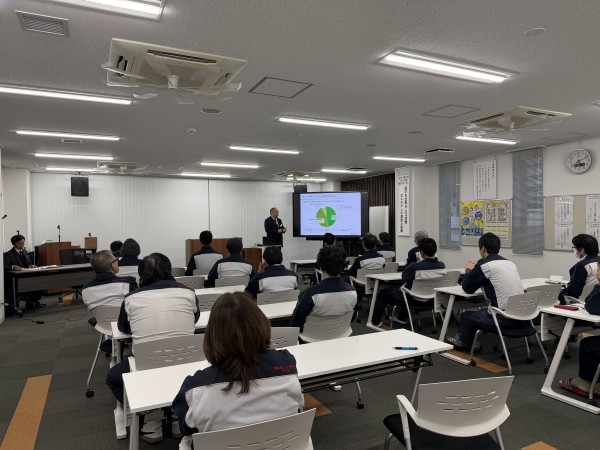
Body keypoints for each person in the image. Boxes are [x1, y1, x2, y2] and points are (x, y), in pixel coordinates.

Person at [173, 292, 303, 449]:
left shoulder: (195, 389)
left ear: (213, 334)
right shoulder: (287, 366)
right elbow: (298, 405)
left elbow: (186, 428)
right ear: (261, 324)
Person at [106, 253, 199, 443]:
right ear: (170, 271)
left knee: (113, 377)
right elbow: (194, 319)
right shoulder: (189, 293)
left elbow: (124, 328)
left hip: (147, 365)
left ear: (142, 276)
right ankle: (178, 416)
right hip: (187, 363)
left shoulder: (131, 299)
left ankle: (150, 418)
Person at [446, 232, 524, 351]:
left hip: (503, 318)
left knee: (466, 316)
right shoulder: (510, 263)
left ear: (483, 248)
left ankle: (465, 343)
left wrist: (470, 271)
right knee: (481, 311)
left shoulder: (485, 265)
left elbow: (467, 288)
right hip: (521, 316)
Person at [371, 238, 446, 328]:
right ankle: (401, 317)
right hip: (431, 299)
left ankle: (375, 322)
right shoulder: (441, 265)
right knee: (407, 288)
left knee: (384, 293)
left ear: (421, 253)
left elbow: (404, 277)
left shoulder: (415, 267)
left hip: (412, 299)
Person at [291, 246, 357, 333]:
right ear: (343, 266)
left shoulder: (310, 293)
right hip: (340, 334)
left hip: (312, 336)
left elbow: (296, 322)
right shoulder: (352, 291)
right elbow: (351, 318)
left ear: (321, 267)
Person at [560, 264, 600, 397]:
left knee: (588, 344)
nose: (597, 272)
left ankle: (583, 382)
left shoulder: (581, 266)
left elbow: (591, 305)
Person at [82, 250, 138, 332]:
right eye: (116, 260)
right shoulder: (128, 283)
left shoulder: (85, 290)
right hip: (127, 327)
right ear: (112, 265)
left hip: (103, 327)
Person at [3, 234, 44, 309]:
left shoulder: (24, 251)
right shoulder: (9, 254)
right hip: (16, 278)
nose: (22, 245)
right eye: (20, 243)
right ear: (15, 244)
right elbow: (5, 266)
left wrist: (31, 265)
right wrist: (13, 267)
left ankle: (33, 302)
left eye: (23, 243)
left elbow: (28, 263)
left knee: (39, 281)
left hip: (26, 275)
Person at [558, 234, 600, 304]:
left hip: (580, 301)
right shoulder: (598, 261)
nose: (574, 250)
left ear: (581, 250)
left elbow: (573, 291)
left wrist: (560, 295)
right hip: (595, 299)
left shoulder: (582, 265)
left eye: (574, 248)